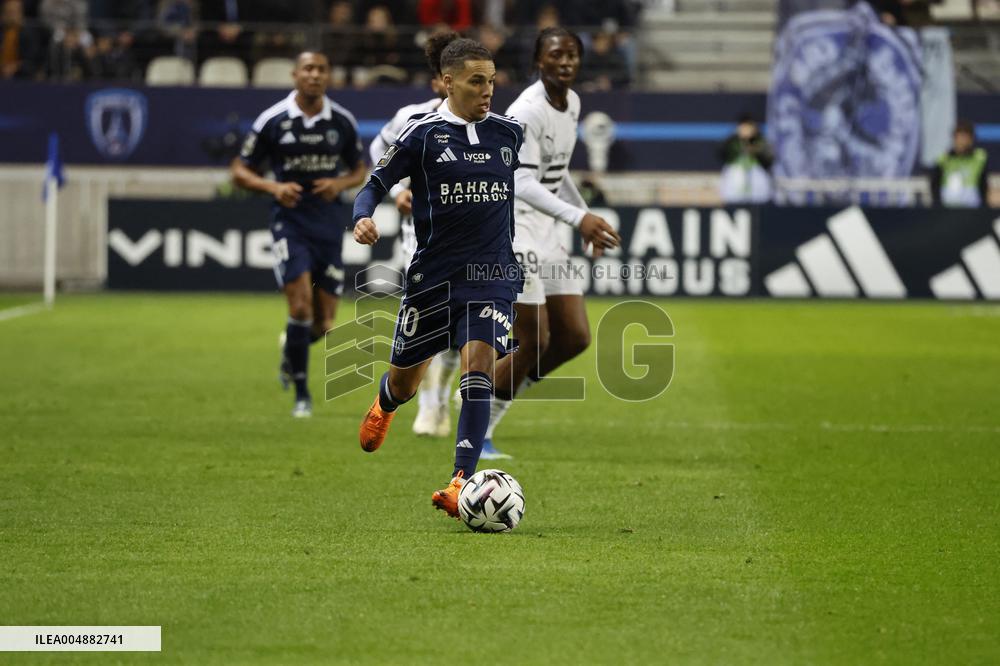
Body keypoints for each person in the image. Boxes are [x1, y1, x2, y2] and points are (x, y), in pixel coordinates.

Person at [354, 38, 589, 520]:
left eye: (492, 81)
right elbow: (375, 184)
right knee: (405, 381)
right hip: (433, 278)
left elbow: (543, 176)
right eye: (476, 81)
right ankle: (386, 403)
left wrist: (578, 214)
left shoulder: (507, 133)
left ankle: (461, 480)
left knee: (476, 371)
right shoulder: (421, 136)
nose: (487, 91)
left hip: (492, 275)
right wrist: (363, 218)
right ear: (447, 82)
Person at [482, 26, 621, 458]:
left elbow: (555, 178)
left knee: (575, 338)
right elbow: (520, 181)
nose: (566, 62)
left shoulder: (573, 103)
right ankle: (479, 423)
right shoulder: (527, 111)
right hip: (516, 228)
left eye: (573, 55)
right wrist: (580, 218)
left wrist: (585, 220)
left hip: (548, 229)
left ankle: (490, 393)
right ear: (538, 62)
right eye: (556, 55)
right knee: (532, 340)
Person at [231, 51, 367, 417]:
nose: (315, 75)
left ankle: (291, 351)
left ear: (329, 76)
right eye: (308, 69)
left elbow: (360, 170)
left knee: (323, 324)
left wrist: (338, 183)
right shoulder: (273, 120)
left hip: (327, 224)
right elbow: (240, 171)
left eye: (322, 69)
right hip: (289, 223)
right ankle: (302, 396)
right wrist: (274, 188)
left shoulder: (341, 121)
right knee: (300, 307)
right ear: (295, 75)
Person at [367, 30, 465, 441]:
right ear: (440, 81)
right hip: (422, 237)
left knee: (460, 326)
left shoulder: (488, 120)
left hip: (471, 238)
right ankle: (428, 403)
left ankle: (440, 395)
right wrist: (398, 190)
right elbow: (378, 149)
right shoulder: (413, 118)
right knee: (431, 321)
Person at [930, 121, 989, 208]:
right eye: (960, 137)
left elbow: (983, 185)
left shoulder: (979, 158)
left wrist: (984, 206)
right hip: (947, 209)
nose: (962, 141)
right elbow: (935, 186)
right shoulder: (943, 160)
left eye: (966, 137)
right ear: (954, 138)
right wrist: (938, 206)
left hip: (972, 209)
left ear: (971, 140)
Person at [717, 113, 773, 204]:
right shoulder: (732, 141)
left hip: (757, 191)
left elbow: (769, 161)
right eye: (743, 127)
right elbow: (722, 155)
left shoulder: (761, 141)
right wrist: (740, 143)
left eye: (749, 127)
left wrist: (755, 150)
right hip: (734, 190)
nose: (746, 130)